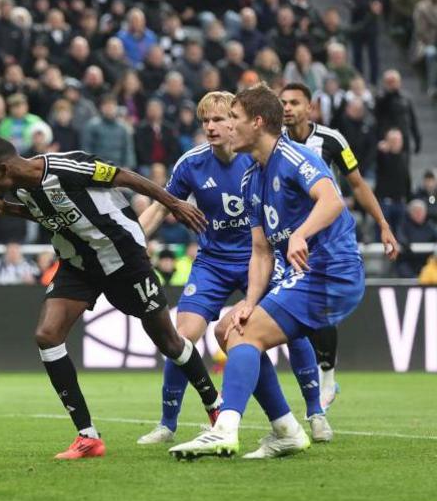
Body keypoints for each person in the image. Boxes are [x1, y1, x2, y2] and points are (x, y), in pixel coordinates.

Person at [0, 136, 221, 460]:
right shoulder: (18, 188)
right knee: (47, 335)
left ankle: (215, 406)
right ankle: (88, 436)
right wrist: (9, 210)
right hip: (78, 265)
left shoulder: (64, 167)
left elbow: (123, 176)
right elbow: (50, 214)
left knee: (169, 342)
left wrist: (173, 203)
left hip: (124, 259)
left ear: (3, 169)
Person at [169, 85, 365, 460]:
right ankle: (286, 430)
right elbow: (260, 252)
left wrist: (300, 235)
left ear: (256, 123)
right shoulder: (251, 178)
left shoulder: (294, 156)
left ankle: (224, 428)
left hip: (330, 269)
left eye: (235, 119)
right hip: (306, 272)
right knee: (230, 328)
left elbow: (332, 200)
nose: (227, 128)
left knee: (246, 334)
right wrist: (250, 302)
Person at [137, 91, 330, 445]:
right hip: (212, 262)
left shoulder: (259, 159)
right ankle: (168, 423)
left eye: (218, 119)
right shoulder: (190, 163)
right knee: (182, 336)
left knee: (295, 329)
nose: (210, 127)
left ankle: (316, 412)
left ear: (235, 122)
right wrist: (132, 242)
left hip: (259, 257)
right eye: (204, 121)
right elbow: (161, 207)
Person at [279, 82, 399, 408]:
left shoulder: (331, 140)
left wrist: (384, 225)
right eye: (283, 102)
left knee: (320, 306)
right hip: (286, 235)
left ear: (311, 107)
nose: (287, 108)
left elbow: (357, 185)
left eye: (294, 102)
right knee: (289, 309)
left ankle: (327, 375)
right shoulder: (274, 144)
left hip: (326, 236)